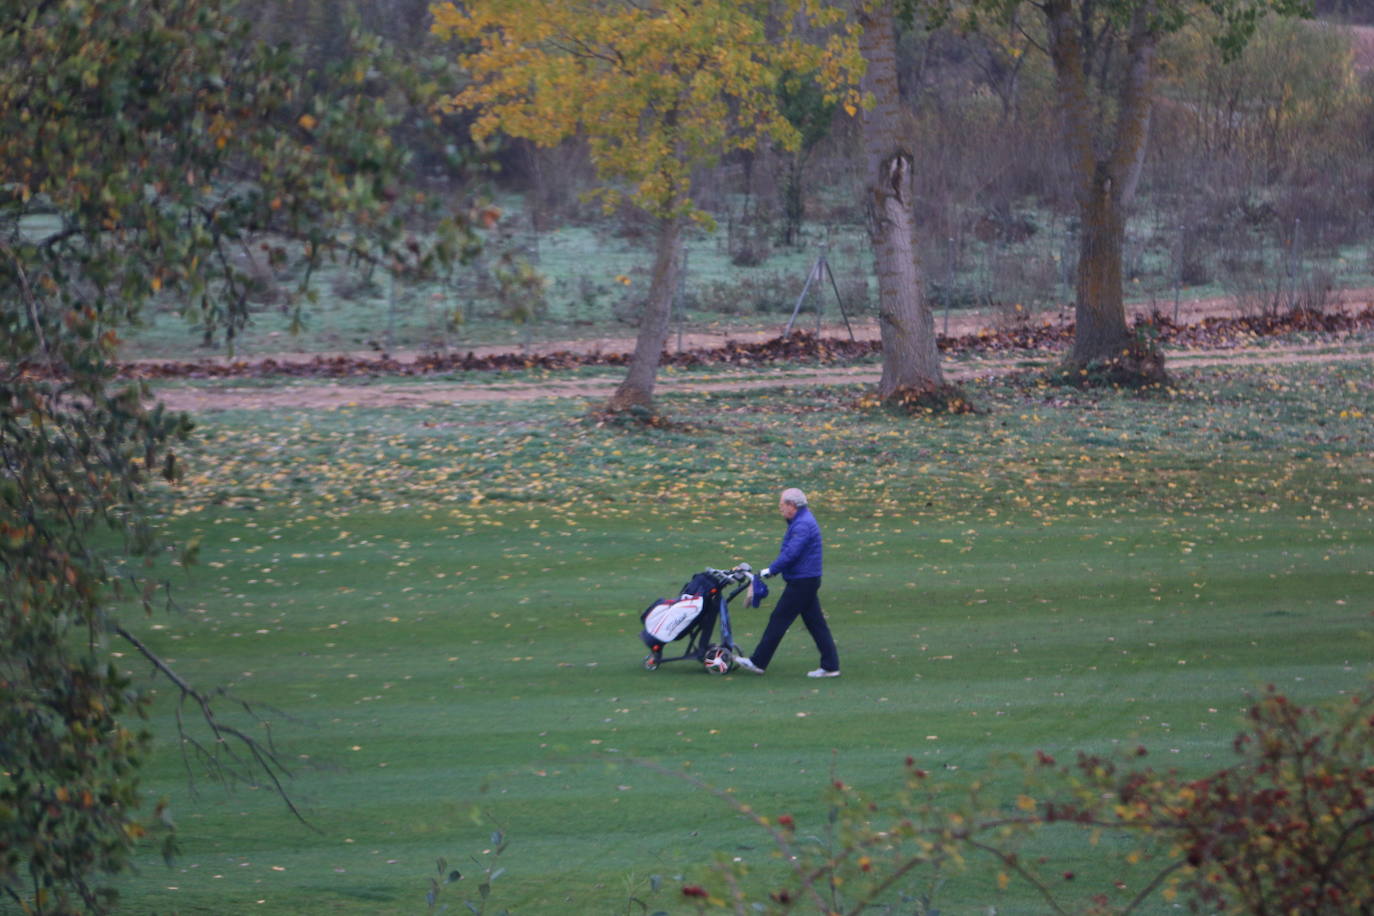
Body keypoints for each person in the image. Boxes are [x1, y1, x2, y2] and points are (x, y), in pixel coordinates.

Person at [736, 488, 840, 678]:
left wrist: (770, 570)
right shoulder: (802, 520)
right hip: (806, 579)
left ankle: (758, 662)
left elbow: (792, 553)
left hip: (802, 581)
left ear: (792, 505)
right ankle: (831, 665)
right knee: (815, 623)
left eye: (782, 505)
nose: (780, 509)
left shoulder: (802, 525)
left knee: (779, 619)